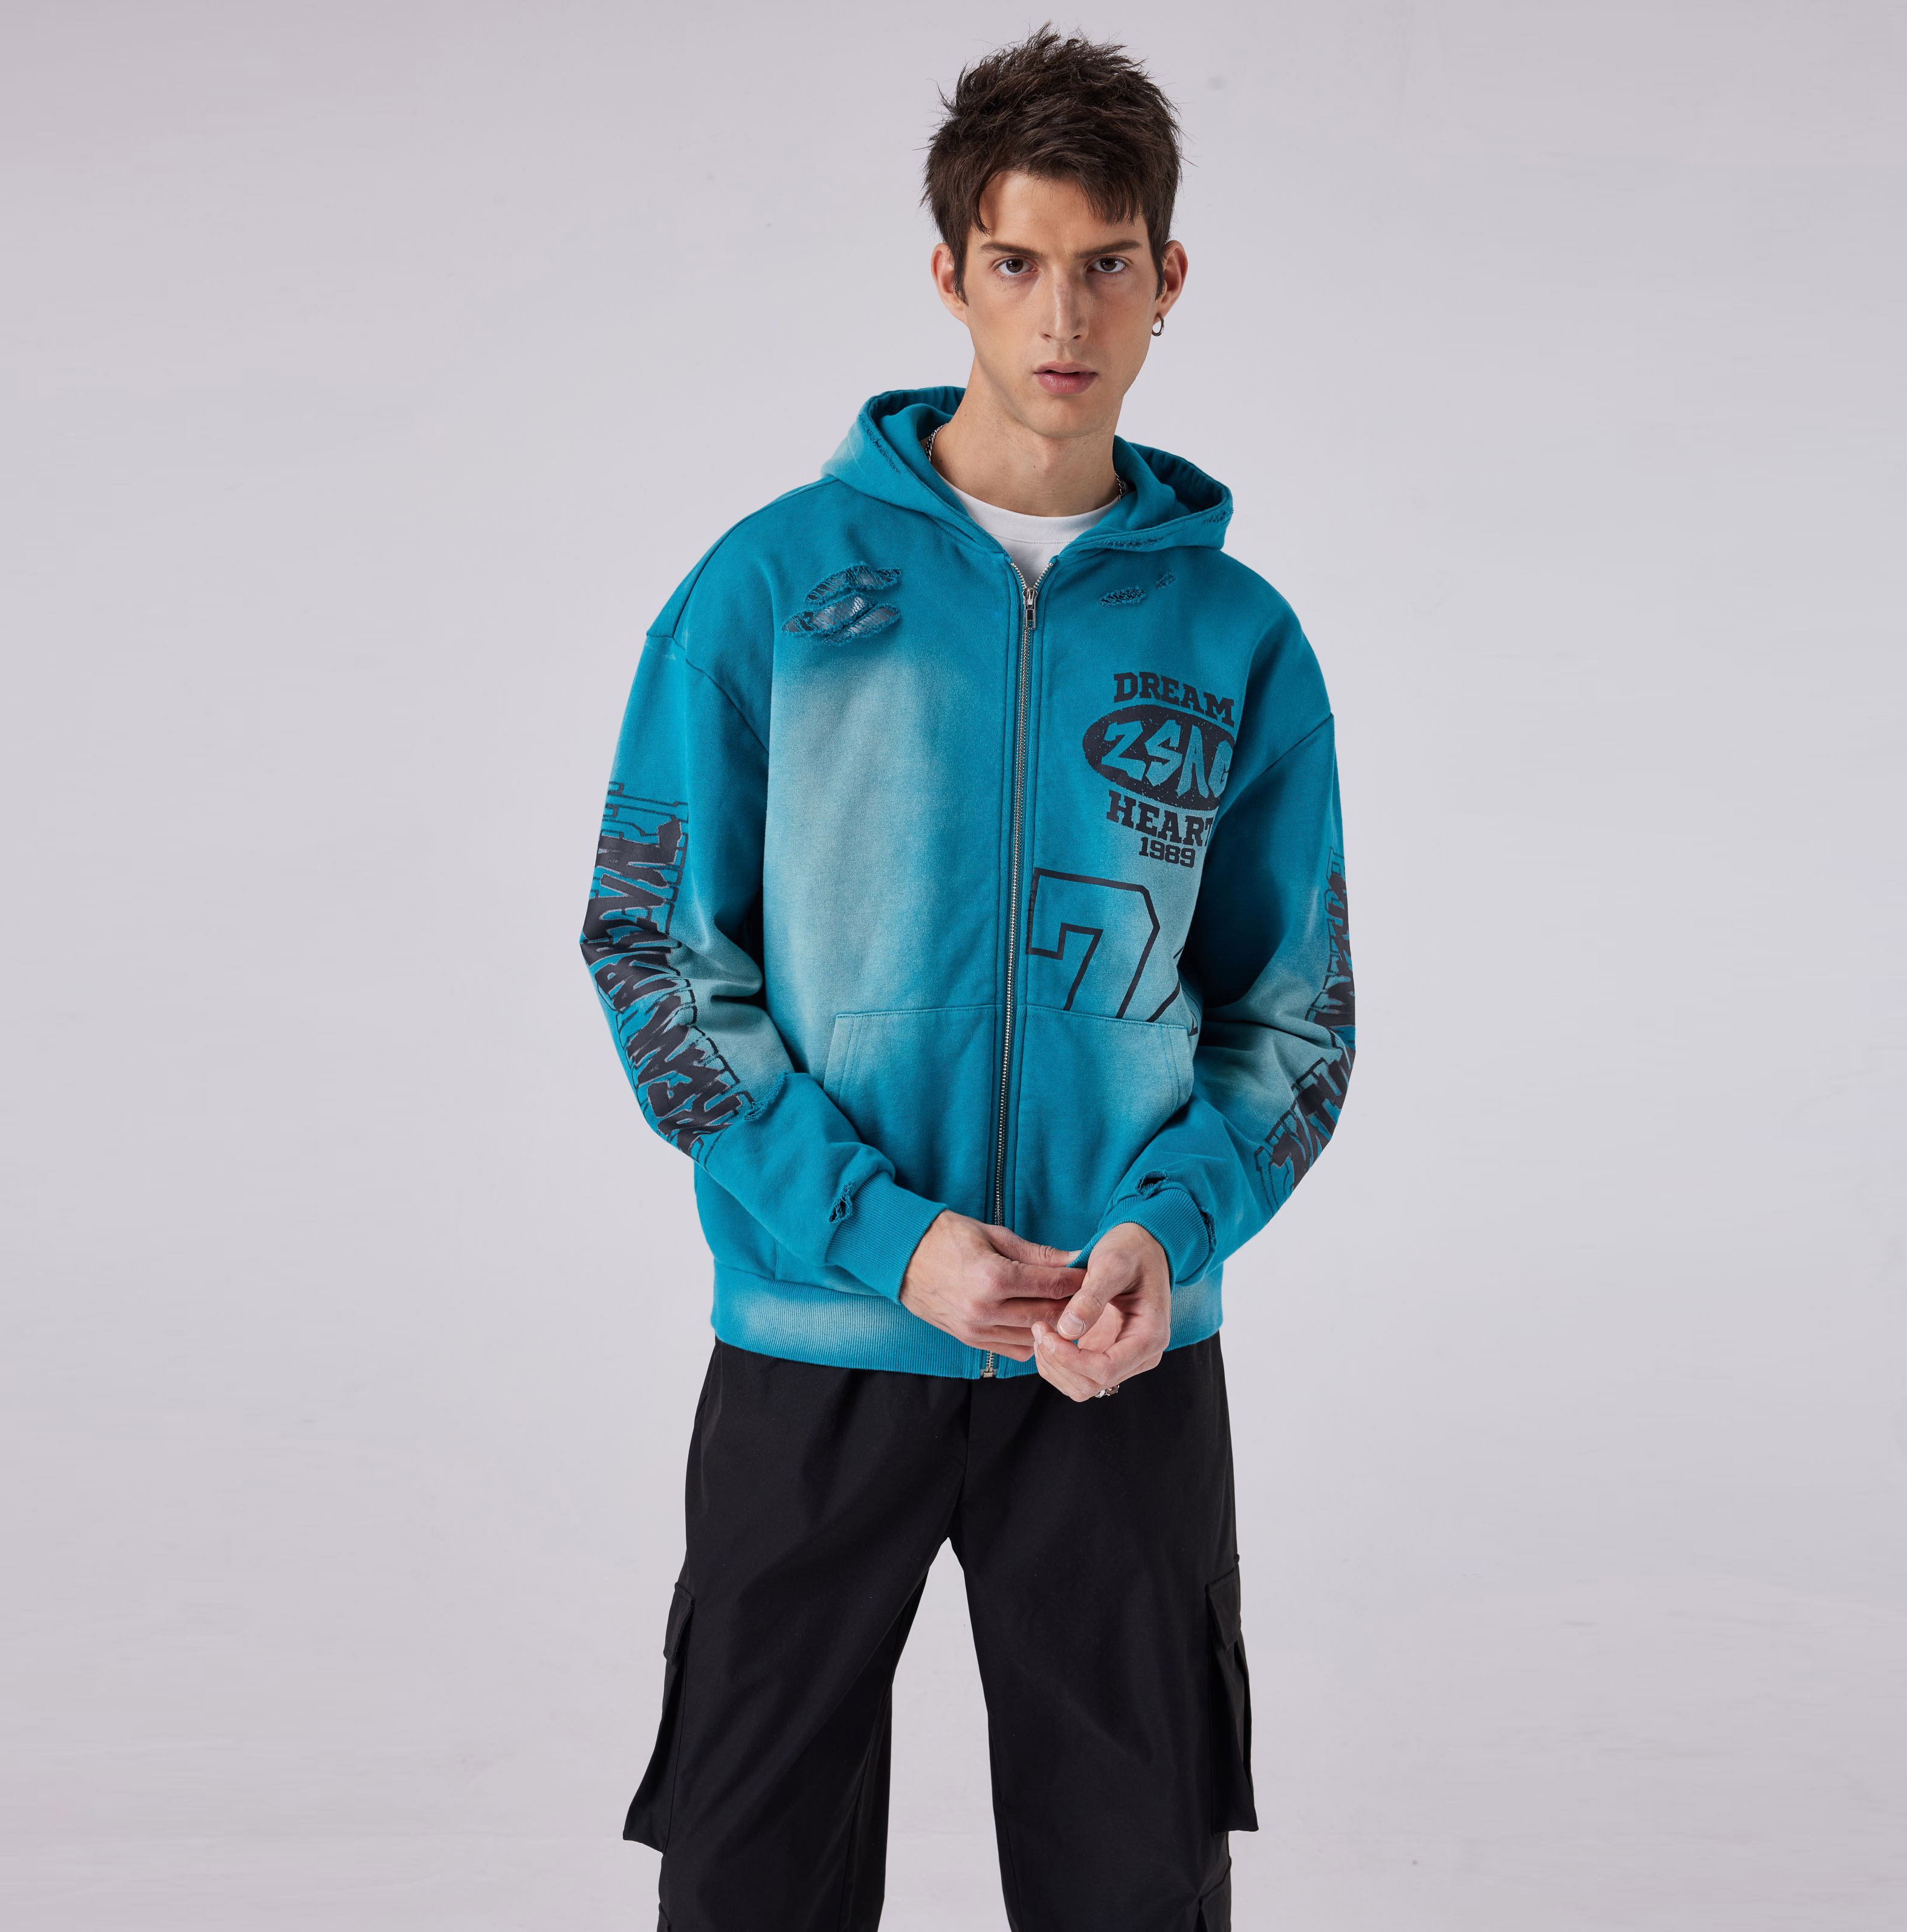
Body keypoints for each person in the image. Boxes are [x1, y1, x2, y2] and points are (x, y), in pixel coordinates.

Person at [578, 24, 1355, 1931]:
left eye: (1105, 264)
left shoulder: (1238, 637)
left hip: (1116, 1349)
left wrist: (1163, 1234)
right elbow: (653, 948)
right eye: (1018, 262)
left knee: (1132, 1884)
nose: (1061, 315)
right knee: (750, 1878)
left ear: (1167, 276)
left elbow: (1294, 1016)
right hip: (819, 1333)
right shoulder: (773, 587)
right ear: (948, 273)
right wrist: (885, 1238)